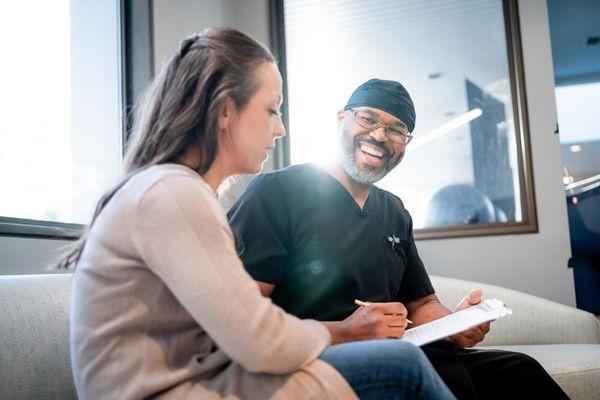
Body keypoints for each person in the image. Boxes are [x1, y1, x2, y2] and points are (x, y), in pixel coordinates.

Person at [61, 29, 454, 400]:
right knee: (402, 366)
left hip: (201, 375)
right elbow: (259, 339)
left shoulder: (176, 191)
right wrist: (348, 333)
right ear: (225, 111)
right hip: (173, 389)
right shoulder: (174, 194)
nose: (281, 129)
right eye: (270, 110)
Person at [228, 78, 570, 399]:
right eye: (368, 119)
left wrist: (457, 324)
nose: (379, 135)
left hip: (401, 348)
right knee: (448, 375)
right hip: (317, 354)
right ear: (340, 119)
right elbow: (242, 316)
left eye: (397, 130)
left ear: (405, 144)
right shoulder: (276, 192)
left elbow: (421, 304)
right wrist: (346, 329)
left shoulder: (394, 211)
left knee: (521, 372)